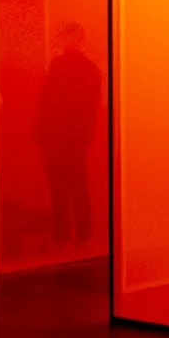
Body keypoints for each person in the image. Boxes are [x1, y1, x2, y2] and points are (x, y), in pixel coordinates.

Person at [37, 22, 103, 248]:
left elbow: (48, 101)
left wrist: (41, 130)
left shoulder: (60, 65)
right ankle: (81, 233)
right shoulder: (90, 69)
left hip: (59, 133)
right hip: (75, 134)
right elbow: (91, 106)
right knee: (77, 184)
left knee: (60, 184)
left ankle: (62, 234)